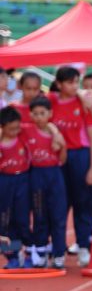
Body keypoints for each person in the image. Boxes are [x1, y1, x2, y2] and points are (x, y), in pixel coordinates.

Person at [50, 66, 92, 267]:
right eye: (70, 82)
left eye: (76, 82)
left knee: (83, 204)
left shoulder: (84, 103)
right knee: (59, 205)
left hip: (80, 156)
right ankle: (58, 250)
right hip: (58, 158)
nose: (74, 86)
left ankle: (82, 246)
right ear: (60, 84)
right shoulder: (51, 101)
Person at [24, 96, 69, 268]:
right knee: (39, 213)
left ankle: (58, 254)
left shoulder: (56, 134)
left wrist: (60, 141)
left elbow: (63, 159)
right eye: (35, 114)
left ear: (50, 113)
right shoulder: (27, 130)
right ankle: (41, 251)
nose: (38, 117)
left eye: (42, 113)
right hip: (36, 174)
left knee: (58, 215)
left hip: (54, 174)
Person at [0, 106, 31, 267]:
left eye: (17, 128)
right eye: (11, 129)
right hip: (4, 181)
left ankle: (29, 254)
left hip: (23, 179)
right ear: (2, 127)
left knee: (22, 219)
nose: (15, 131)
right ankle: (12, 255)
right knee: (5, 221)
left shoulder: (23, 135)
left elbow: (43, 126)